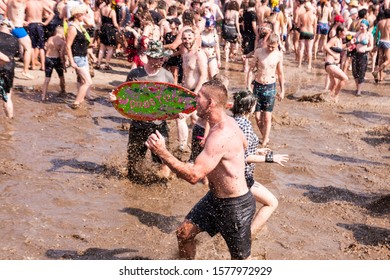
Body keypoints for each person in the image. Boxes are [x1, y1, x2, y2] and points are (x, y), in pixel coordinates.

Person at [145, 79, 256, 260]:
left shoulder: (221, 134)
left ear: (210, 103)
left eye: (198, 97)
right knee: (184, 234)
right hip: (214, 198)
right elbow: (244, 144)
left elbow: (194, 176)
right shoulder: (225, 121)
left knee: (241, 262)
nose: (194, 100)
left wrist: (162, 152)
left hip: (235, 206)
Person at [110, 40, 174, 181]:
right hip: (138, 124)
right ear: (150, 57)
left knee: (162, 162)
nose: (162, 60)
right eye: (158, 57)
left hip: (159, 126)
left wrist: (178, 112)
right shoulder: (135, 74)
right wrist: (115, 100)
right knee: (134, 165)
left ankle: (160, 191)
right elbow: (126, 96)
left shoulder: (167, 76)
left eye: (162, 57)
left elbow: (172, 100)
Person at [231, 90, 288, 236]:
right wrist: (270, 159)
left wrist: (257, 151)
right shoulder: (245, 126)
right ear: (249, 107)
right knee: (272, 203)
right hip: (242, 179)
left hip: (231, 175)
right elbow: (244, 157)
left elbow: (235, 150)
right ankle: (247, 237)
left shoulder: (231, 121)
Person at [247, 33, 284, 147]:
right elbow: (251, 69)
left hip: (270, 87)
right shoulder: (259, 52)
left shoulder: (278, 55)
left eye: (273, 46)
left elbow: (280, 73)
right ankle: (265, 136)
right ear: (266, 43)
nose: (270, 48)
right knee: (257, 117)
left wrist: (282, 90)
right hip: (258, 85)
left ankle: (264, 141)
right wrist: (248, 85)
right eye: (269, 46)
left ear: (277, 44)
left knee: (267, 117)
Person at [176, 28, 207, 154]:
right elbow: (186, 75)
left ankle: (182, 146)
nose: (187, 41)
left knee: (180, 117)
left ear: (194, 38)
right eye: (184, 38)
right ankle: (197, 147)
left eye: (189, 38)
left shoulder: (199, 54)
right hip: (187, 91)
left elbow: (204, 75)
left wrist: (196, 94)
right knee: (195, 120)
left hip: (197, 92)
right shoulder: (185, 54)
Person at [65, 4, 93, 109]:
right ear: (77, 15)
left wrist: (90, 54)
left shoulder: (80, 26)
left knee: (82, 81)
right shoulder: (72, 28)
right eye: (83, 14)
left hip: (83, 56)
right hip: (77, 57)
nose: (85, 16)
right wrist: (72, 61)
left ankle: (80, 100)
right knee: (88, 81)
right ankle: (76, 103)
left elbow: (84, 43)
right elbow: (68, 46)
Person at [6, 0, 34, 79]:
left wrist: (22, 21)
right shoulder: (20, 2)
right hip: (18, 28)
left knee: (8, 50)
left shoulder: (9, 2)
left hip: (11, 27)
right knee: (28, 48)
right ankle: (25, 71)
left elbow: (13, 14)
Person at [25, 0, 54, 71]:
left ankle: (33, 65)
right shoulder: (41, 3)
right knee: (41, 46)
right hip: (39, 25)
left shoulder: (27, 3)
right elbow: (52, 13)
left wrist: (24, 21)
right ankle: (43, 66)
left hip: (31, 24)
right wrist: (46, 23)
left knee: (31, 46)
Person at [324, 25, 349, 103]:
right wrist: (334, 55)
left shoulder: (339, 39)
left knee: (334, 84)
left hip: (333, 64)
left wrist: (349, 43)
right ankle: (335, 96)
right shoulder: (334, 39)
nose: (346, 34)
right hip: (330, 63)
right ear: (340, 32)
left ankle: (326, 98)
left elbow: (340, 47)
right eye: (344, 32)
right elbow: (326, 47)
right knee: (345, 78)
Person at [41, 25, 66, 101]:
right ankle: (63, 90)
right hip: (57, 59)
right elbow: (61, 54)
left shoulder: (50, 39)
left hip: (48, 58)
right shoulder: (62, 42)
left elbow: (46, 48)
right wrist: (63, 63)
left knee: (47, 78)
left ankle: (43, 96)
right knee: (61, 76)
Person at [0, 18, 19, 118]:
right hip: (9, 68)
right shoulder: (15, 40)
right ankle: (10, 119)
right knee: (7, 96)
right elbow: (17, 54)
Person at [350, 19, 373, 95]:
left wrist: (366, 49)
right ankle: (357, 88)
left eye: (362, 26)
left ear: (367, 26)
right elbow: (353, 42)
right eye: (360, 26)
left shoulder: (369, 35)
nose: (361, 28)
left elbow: (371, 47)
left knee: (361, 73)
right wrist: (352, 42)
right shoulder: (358, 33)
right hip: (356, 54)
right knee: (354, 72)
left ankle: (359, 91)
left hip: (364, 55)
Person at [96, 0, 120, 70]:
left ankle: (98, 63)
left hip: (103, 29)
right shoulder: (112, 11)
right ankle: (106, 64)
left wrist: (100, 29)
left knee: (101, 48)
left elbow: (99, 22)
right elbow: (115, 24)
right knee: (110, 48)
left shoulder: (102, 9)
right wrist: (119, 29)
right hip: (110, 30)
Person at [297, 1, 317, 69]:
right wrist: (315, 35)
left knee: (301, 49)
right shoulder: (314, 16)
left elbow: (299, 26)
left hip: (303, 31)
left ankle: (299, 64)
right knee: (309, 49)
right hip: (310, 32)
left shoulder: (301, 15)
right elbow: (315, 28)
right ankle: (309, 65)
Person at [373, 9, 390, 83]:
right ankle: (376, 71)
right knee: (388, 60)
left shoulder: (380, 22)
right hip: (387, 41)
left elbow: (376, 35)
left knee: (380, 60)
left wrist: (374, 44)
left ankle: (380, 77)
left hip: (380, 41)